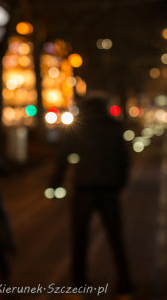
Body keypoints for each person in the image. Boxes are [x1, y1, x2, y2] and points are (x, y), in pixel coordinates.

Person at [50, 96, 133, 298]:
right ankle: (124, 281)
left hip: (83, 189)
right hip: (109, 189)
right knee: (115, 237)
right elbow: (124, 157)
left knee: (79, 238)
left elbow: (62, 157)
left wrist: (55, 183)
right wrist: (120, 182)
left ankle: (79, 281)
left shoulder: (78, 128)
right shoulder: (114, 127)